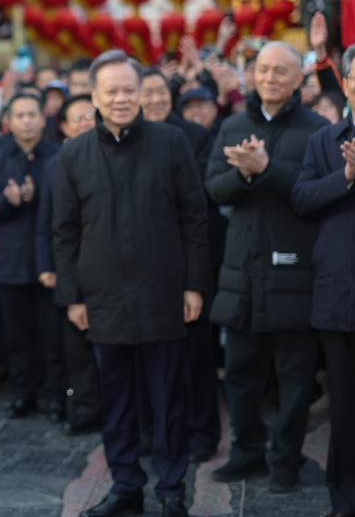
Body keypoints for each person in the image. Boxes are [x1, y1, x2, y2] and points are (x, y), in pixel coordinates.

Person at [54, 50, 210, 517]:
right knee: (116, 400)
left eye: (129, 90)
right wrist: (72, 296)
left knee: (168, 399)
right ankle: (126, 485)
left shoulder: (172, 142)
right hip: (101, 297)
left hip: (164, 292)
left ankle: (171, 488)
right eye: (111, 91)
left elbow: (195, 219)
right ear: (95, 97)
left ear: (141, 93)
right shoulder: (74, 152)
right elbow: (64, 230)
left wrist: (194, 286)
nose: (121, 98)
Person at [205, 42, 327, 492]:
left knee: (294, 375)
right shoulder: (234, 125)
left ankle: (286, 460)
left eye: (281, 71)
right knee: (239, 370)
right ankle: (246, 451)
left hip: (295, 271)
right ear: (252, 75)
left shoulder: (317, 130)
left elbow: (315, 193)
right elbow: (214, 189)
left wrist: (266, 168)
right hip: (241, 271)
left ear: (299, 80)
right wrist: (243, 175)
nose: (271, 78)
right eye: (263, 70)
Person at [292, 39, 355, 517]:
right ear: (346, 84)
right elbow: (303, 200)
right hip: (338, 296)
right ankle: (349, 503)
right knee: (346, 412)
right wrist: (346, 179)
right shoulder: (321, 141)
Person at [140, 67, 221, 463]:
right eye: (146, 92)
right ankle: (155, 431)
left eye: (159, 92)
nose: (154, 100)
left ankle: (202, 432)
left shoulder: (194, 137)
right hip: (140, 267)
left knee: (195, 354)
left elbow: (198, 207)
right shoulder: (127, 139)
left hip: (188, 259)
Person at [0, 93, 65, 420]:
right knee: (17, 336)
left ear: (43, 118)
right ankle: (23, 393)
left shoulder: (58, 156)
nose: (27, 121)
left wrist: (38, 197)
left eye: (32, 114)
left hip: (49, 261)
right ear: (9, 121)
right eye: (20, 115)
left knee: (52, 335)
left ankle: (56, 395)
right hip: (11, 260)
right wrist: (9, 201)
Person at [35, 94, 100, 435]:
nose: (85, 123)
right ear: (62, 127)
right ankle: (84, 409)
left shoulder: (108, 157)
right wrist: (47, 266)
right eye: (77, 118)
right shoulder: (53, 165)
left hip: (106, 268)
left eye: (90, 116)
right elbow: (47, 223)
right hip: (69, 267)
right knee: (73, 347)